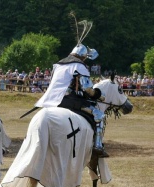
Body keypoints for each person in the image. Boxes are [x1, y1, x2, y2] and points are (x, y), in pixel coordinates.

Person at [34, 21, 107, 157]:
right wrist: (97, 94)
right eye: (85, 57)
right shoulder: (80, 66)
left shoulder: (58, 65)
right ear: (83, 56)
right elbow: (87, 89)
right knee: (99, 115)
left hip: (52, 100)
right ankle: (97, 147)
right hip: (70, 101)